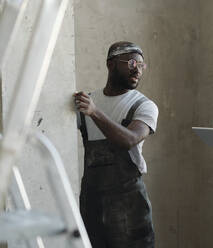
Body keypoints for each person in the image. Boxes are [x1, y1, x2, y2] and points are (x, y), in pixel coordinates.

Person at [74, 41, 158, 248]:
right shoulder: (87, 102)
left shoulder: (144, 105)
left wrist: (94, 112)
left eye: (141, 65)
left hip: (129, 205)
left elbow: (129, 140)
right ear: (111, 64)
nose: (137, 70)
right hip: (92, 202)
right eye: (131, 63)